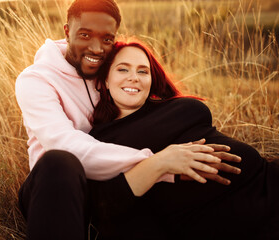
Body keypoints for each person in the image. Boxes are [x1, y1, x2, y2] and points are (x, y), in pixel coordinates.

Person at [15, 0, 241, 239]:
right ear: (67, 32)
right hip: (57, 190)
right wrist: (158, 164)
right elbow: (64, 144)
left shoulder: (109, 68)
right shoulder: (35, 80)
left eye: (106, 39)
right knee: (60, 162)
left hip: (114, 186)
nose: (96, 48)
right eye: (84, 35)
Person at [89, 38, 279, 239]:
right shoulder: (101, 140)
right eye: (123, 69)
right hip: (243, 221)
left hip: (269, 180)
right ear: (106, 80)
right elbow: (103, 204)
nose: (134, 77)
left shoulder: (168, 106)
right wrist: (161, 161)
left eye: (143, 71)